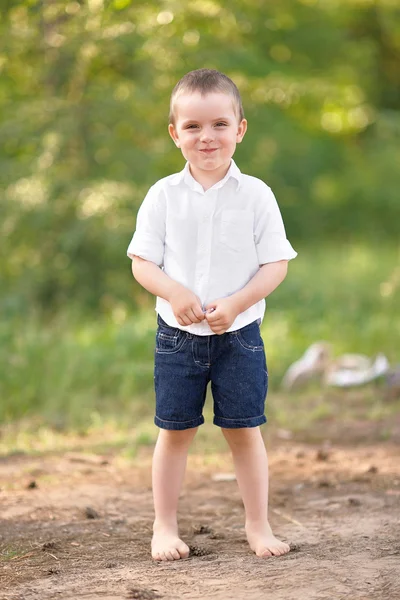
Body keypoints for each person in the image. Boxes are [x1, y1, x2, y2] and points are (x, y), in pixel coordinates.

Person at [127, 68, 297, 562]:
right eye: (194, 126)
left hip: (239, 335)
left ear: (240, 129)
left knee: (244, 429)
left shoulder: (256, 194)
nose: (207, 137)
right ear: (175, 133)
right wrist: (174, 291)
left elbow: (276, 263)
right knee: (174, 430)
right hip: (177, 337)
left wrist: (239, 302)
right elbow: (142, 262)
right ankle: (164, 527)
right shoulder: (162, 195)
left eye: (220, 124)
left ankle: (258, 525)